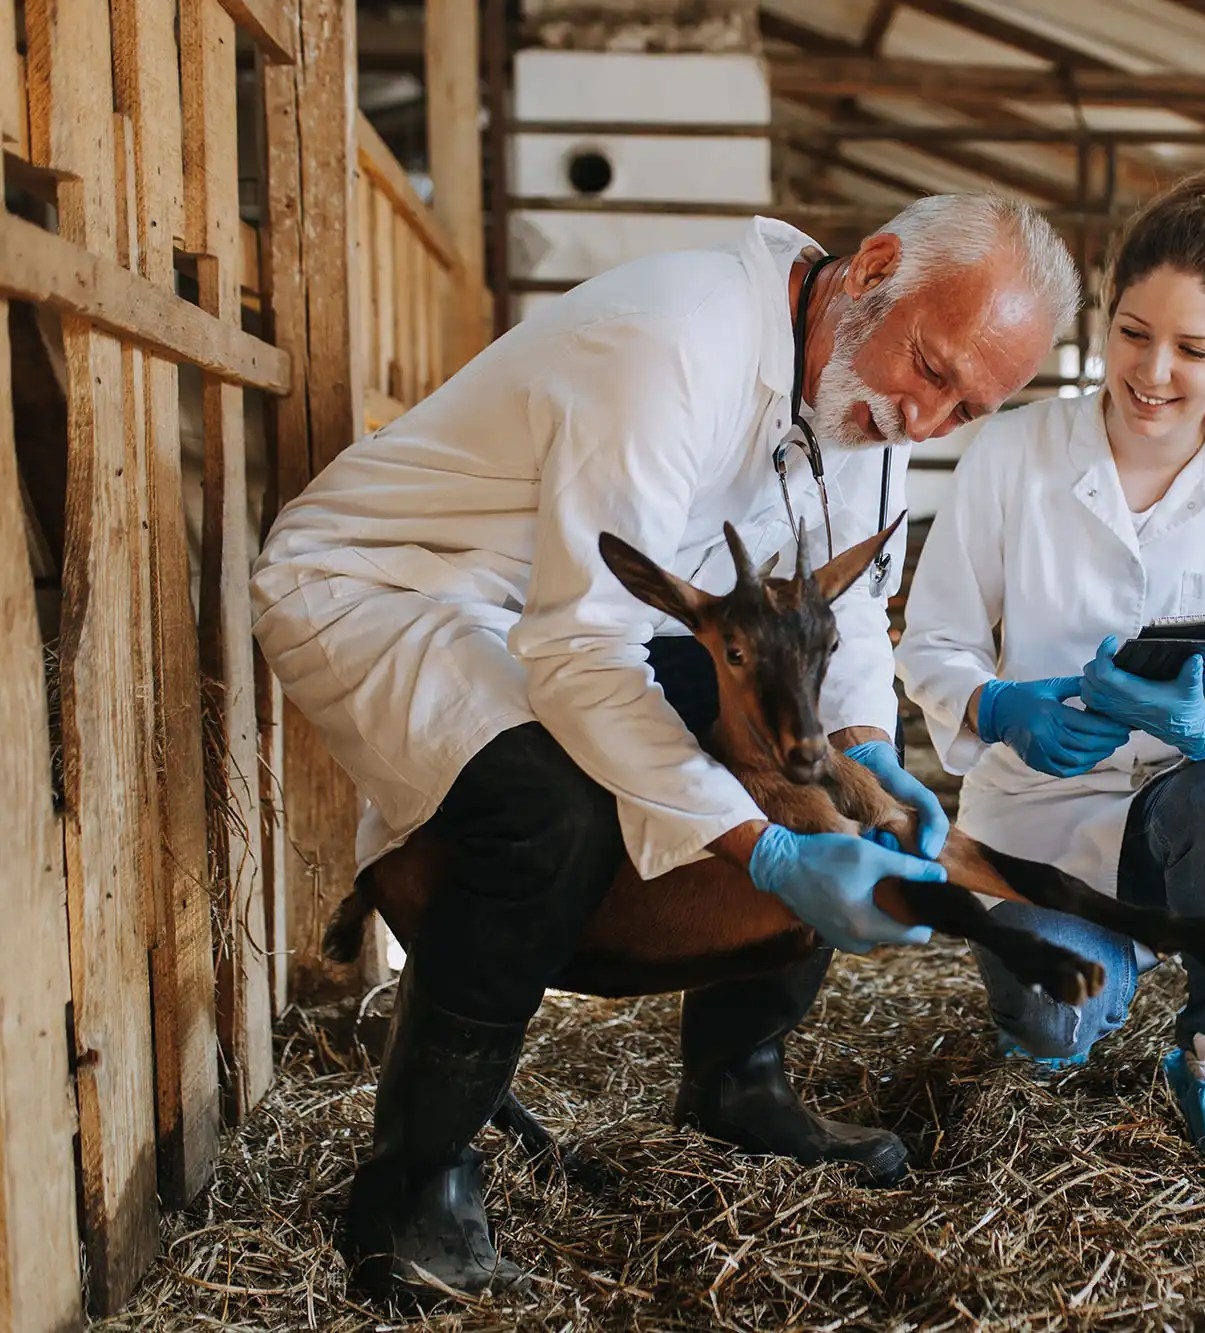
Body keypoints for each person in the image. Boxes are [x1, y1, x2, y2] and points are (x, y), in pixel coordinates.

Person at [251, 196, 1079, 1300]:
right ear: (872, 267)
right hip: (392, 583)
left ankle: (738, 1083)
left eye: (966, 408)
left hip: (562, 610)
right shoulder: (670, 341)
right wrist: (763, 853)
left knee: (797, 755)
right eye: (931, 371)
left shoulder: (866, 405)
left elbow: (832, 621)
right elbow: (581, 646)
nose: (926, 419)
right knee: (544, 810)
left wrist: (867, 760)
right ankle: (415, 1178)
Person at [895, 170, 1205, 1174]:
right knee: (1055, 1029)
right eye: (1132, 333)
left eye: (1192, 350)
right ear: (1105, 315)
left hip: (1190, 825)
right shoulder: (1014, 454)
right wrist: (997, 703)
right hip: (1034, 827)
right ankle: (1085, 975)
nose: (1149, 372)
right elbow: (932, 640)